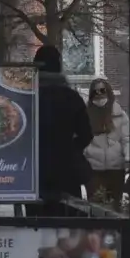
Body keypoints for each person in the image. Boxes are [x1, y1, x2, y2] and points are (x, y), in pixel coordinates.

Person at [33, 43, 94, 215]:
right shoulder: (71, 97)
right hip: (67, 170)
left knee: (36, 221)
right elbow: (86, 134)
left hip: (35, 171)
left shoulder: (28, 97)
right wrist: (70, 148)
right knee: (66, 220)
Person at [82, 77, 128, 209]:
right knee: (97, 207)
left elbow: (126, 138)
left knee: (114, 206)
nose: (99, 95)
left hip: (116, 168)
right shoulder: (85, 115)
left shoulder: (120, 115)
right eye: (95, 92)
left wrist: (128, 157)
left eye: (102, 91)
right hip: (93, 169)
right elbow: (80, 139)